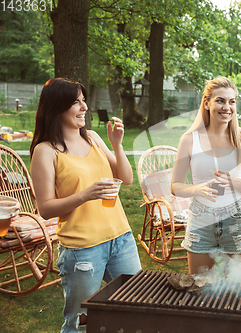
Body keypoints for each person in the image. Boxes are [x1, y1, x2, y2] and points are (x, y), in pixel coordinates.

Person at [29, 78, 141, 333]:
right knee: (80, 322)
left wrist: (117, 145)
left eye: (83, 101)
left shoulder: (92, 137)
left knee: (135, 307)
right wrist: (85, 194)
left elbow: (126, 178)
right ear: (57, 107)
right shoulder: (46, 151)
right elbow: (45, 208)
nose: (84, 108)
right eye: (76, 102)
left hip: (121, 238)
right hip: (82, 249)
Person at [171, 77, 241, 280]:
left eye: (232, 101)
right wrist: (197, 189)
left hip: (235, 220)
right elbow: (175, 186)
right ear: (206, 103)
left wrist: (235, 183)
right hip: (201, 221)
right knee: (200, 289)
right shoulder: (189, 140)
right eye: (220, 100)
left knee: (237, 291)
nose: (227, 107)